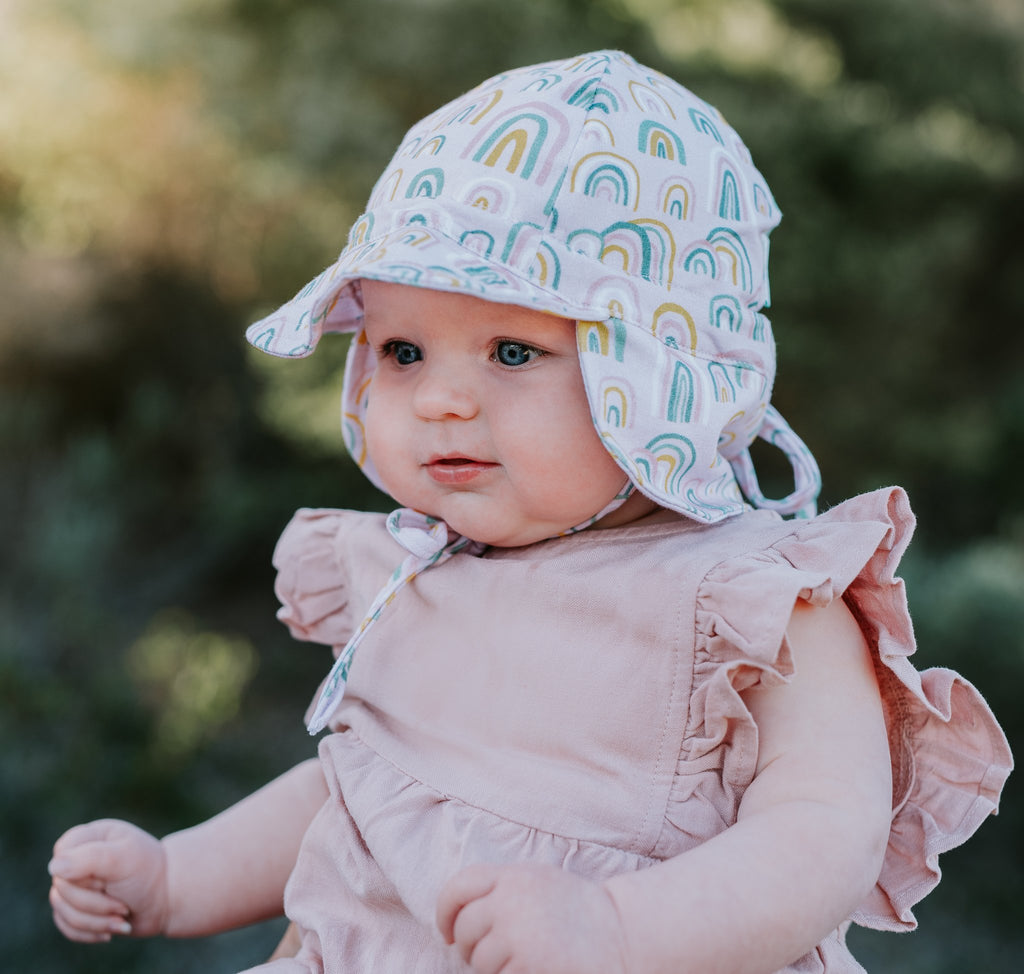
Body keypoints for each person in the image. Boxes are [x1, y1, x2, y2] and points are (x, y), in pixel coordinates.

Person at [48, 50, 1011, 973]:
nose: (439, 401)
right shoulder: (421, 569)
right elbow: (365, 794)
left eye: (512, 351)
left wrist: (619, 934)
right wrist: (179, 878)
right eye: (402, 351)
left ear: (663, 380)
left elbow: (822, 835)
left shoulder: (751, 602)